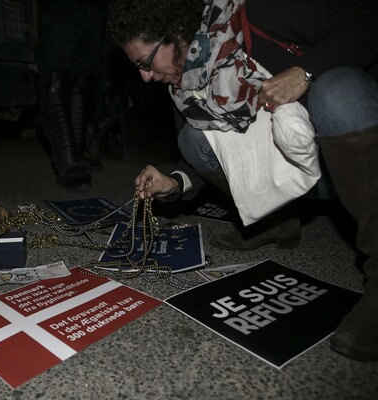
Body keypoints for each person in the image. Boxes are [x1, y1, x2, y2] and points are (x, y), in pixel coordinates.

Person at [107, 0, 378, 362]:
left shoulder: (260, 13)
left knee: (337, 90)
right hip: (302, 174)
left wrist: (306, 72)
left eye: (146, 62)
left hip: (351, 145)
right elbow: (203, 160)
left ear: (176, 35)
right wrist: (173, 182)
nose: (145, 76)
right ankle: (276, 218)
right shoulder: (185, 90)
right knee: (193, 139)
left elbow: (368, 20)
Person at [35, 0, 108, 192]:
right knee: (55, 78)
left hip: (92, 10)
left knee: (82, 81)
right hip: (60, 10)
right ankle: (67, 162)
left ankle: (75, 156)